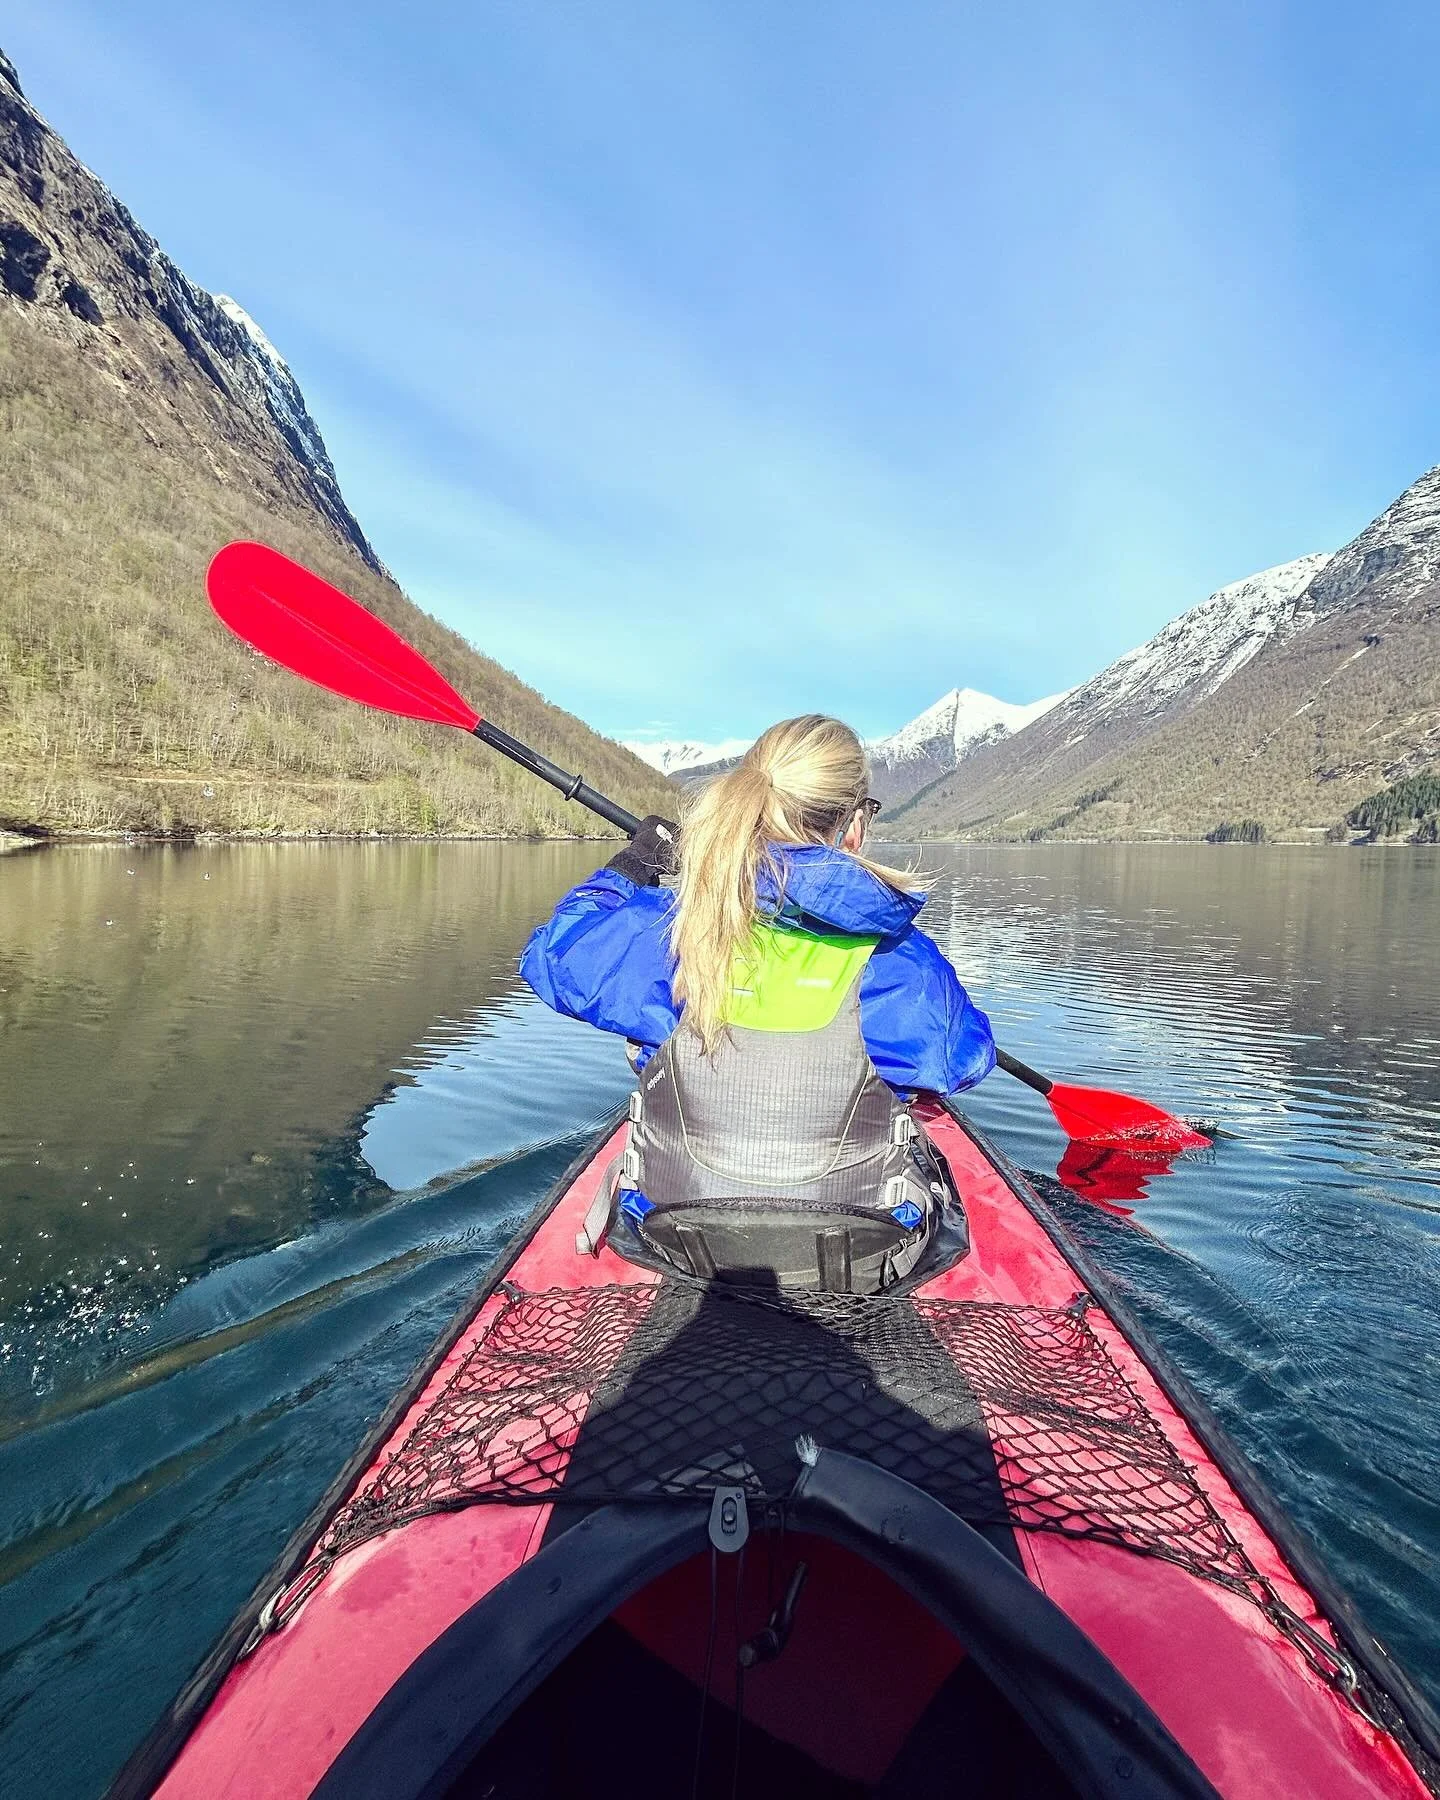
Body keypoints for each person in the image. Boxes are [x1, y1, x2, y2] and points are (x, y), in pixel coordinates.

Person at [520, 715, 994, 1289]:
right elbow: (964, 1063)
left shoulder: (669, 934)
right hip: (863, 1257)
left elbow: (555, 952)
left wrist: (636, 866)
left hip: (674, 1239)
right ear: (853, 827)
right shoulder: (902, 962)